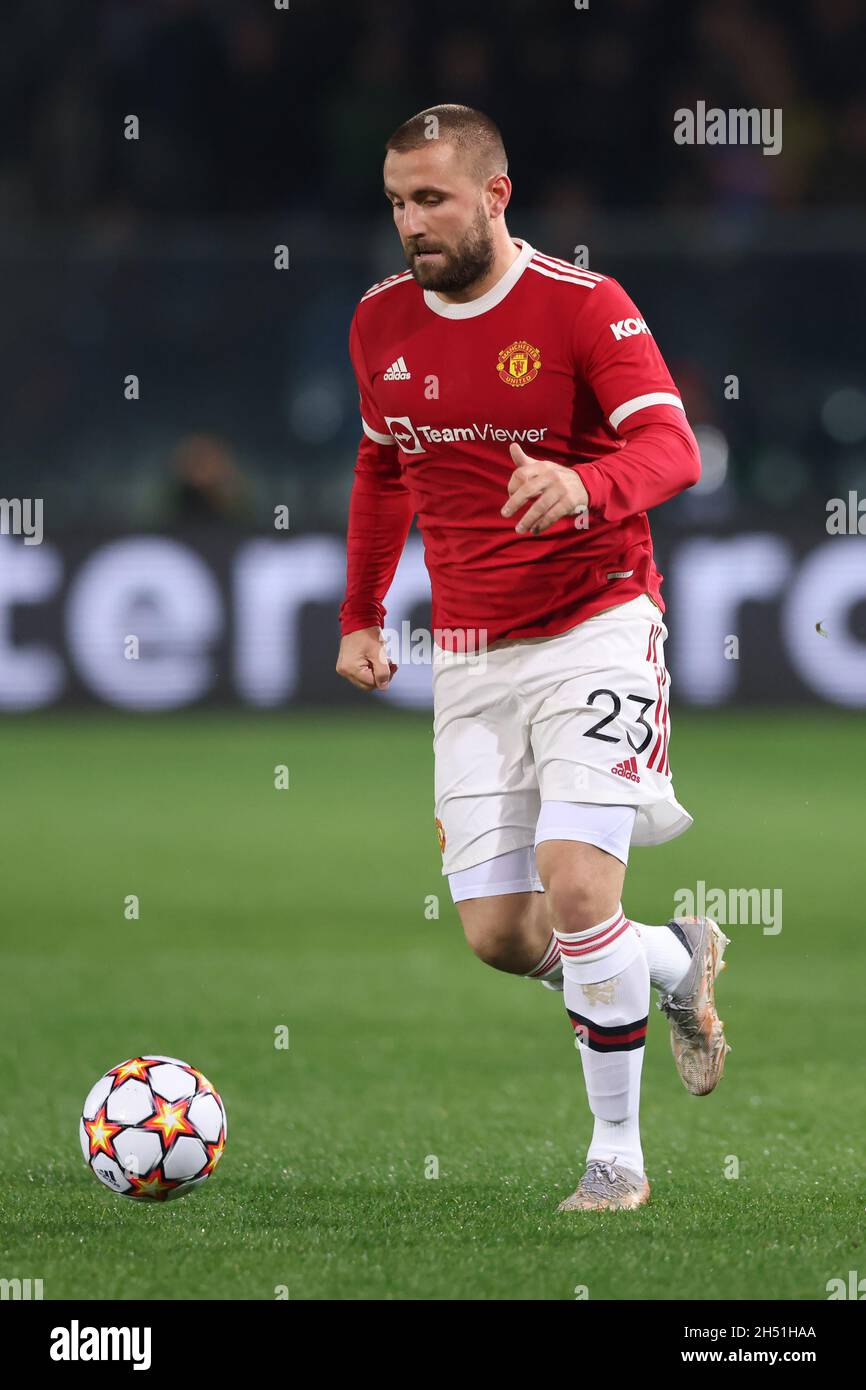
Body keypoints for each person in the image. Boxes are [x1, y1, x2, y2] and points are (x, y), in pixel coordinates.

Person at [336, 104, 729, 1212]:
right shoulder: (377, 324)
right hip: (467, 652)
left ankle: (615, 1156)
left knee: (573, 885)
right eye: (398, 202)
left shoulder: (579, 306)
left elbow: (671, 446)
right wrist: (360, 612)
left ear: (495, 195)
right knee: (502, 935)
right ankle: (667, 959)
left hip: (596, 625)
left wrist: (581, 483)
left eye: (432, 199)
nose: (412, 223)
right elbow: (380, 472)